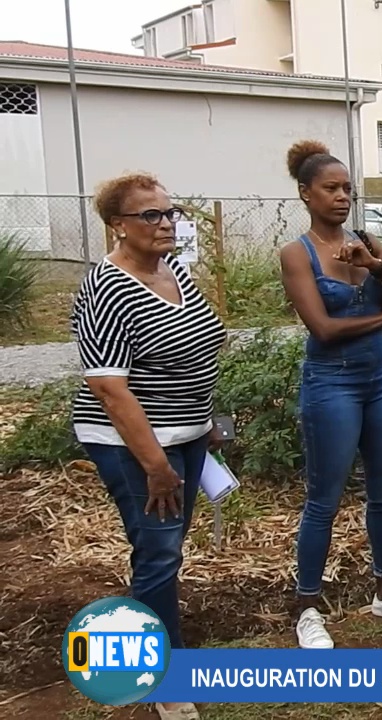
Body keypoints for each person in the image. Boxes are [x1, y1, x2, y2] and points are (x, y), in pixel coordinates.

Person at [71, 173, 227, 720]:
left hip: (183, 435)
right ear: (117, 225)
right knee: (159, 553)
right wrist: (156, 465)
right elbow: (111, 390)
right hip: (134, 445)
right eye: (151, 216)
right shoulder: (106, 287)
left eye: (170, 213)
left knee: (165, 550)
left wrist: (203, 421)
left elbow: (197, 348)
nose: (166, 224)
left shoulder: (173, 270)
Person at [279, 141, 382, 649]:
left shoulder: (368, 240)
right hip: (332, 381)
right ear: (306, 194)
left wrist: (376, 266)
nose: (342, 196)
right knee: (324, 498)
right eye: (330, 188)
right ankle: (308, 608)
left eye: (348, 188)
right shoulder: (296, 254)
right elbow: (322, 328)